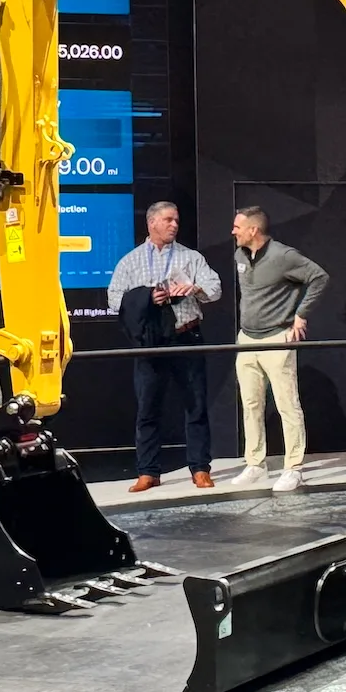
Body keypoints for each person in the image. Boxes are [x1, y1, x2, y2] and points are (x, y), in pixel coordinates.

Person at [107, 201, 222, 493]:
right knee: (147, 408)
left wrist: (195, 289)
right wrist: (147, 298)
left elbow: (215, 288)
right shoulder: (130, 261)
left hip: (186, 336)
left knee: (195, 405)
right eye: (168, 220)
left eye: (177, 220)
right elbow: (113, 300)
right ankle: (148, 472)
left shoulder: (191, 258)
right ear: (152, 223)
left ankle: (199, 468)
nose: (174, 225)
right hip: (150, 343)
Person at [229, 206, 329, 493]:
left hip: (277, 338)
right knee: (251, 404)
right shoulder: (239, 255)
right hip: (246, 340)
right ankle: (255, 464)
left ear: (253, 230)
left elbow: (319, 277)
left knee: (287, 405)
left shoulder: (284, 256)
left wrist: (301, 314)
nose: (233, 231)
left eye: (238, 227)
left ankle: (293, 468)